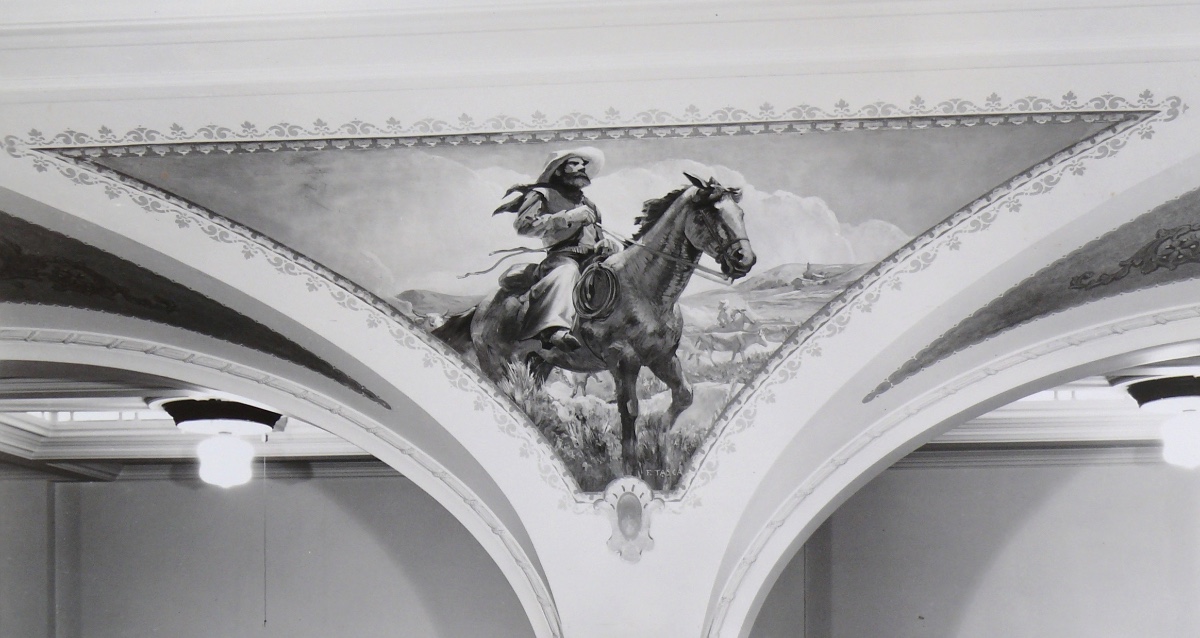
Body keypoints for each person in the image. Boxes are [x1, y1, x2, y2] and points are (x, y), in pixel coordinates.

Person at [492, 147, 620, 351]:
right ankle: (553, 329)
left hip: (593, 259)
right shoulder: (542, 194)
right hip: (562, 257)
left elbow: (597, 236)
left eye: (583, 165)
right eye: (574, 163)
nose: (582, 168)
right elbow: (524, 226)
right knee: (567, 272)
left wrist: (604, 245)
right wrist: (567, 218)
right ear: (559, 170)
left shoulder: (589, 204)